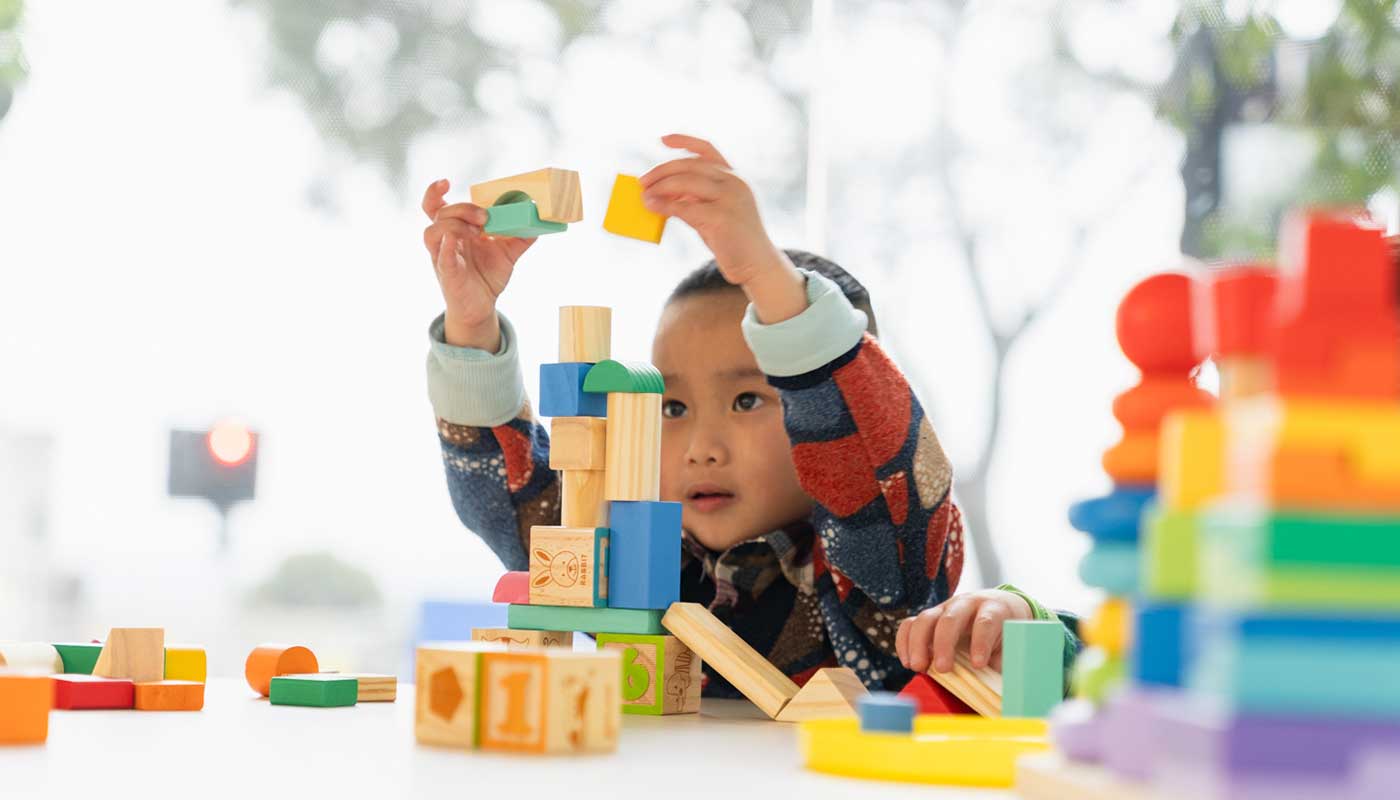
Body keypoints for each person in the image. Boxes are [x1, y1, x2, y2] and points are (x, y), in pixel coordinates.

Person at [421, 134, 1075, 694]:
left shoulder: (874, 574)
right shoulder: (631, 561)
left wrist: (763, 271)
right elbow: (512, 499)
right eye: (670, 406)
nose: (700, 446)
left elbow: (870, 465)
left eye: (746, 399)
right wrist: (471, 326)